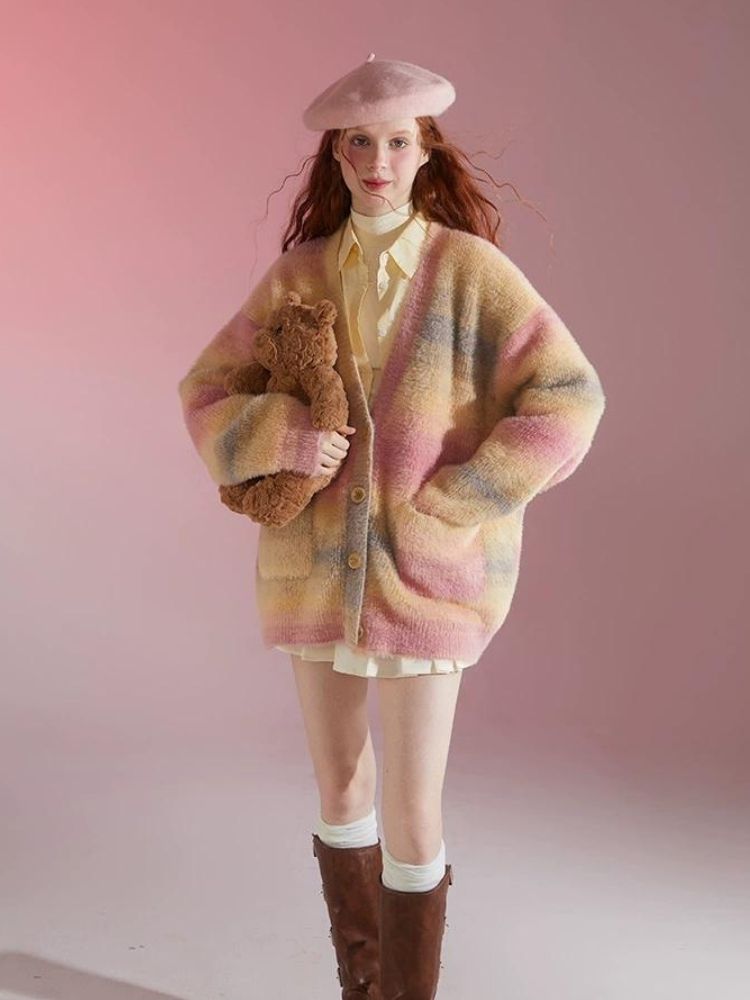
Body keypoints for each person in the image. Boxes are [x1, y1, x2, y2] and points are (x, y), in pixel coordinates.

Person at [178, 53, 606, 999]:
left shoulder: (469, 272)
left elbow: (570, 398)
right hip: (312, 569)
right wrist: (286, 438)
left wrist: (467, 497)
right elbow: (205, 393)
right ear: (336, 156)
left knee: (414, 813)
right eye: (360, 144)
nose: (379, 162)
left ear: (426, 152)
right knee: (340, 787)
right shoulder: (297, 277)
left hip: (427, 576)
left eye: (398, 143)